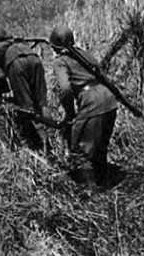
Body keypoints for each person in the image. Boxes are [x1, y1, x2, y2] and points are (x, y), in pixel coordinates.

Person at [50, 25, 118, 186]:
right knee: (101, 144)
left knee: (81, 149)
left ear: (54, 46)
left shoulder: (60, 62)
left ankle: (90, 191)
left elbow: (65, 89)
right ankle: (103, 180)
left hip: (91, 102)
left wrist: (70, 112)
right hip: (109, 98)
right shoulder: (85, 54)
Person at [0, 26, 49, 152]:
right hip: (34, 58)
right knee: (42, 102)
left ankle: (38, 141)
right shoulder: (16, 41)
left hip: (16, 63)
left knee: (26, 106)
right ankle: (50, 135)